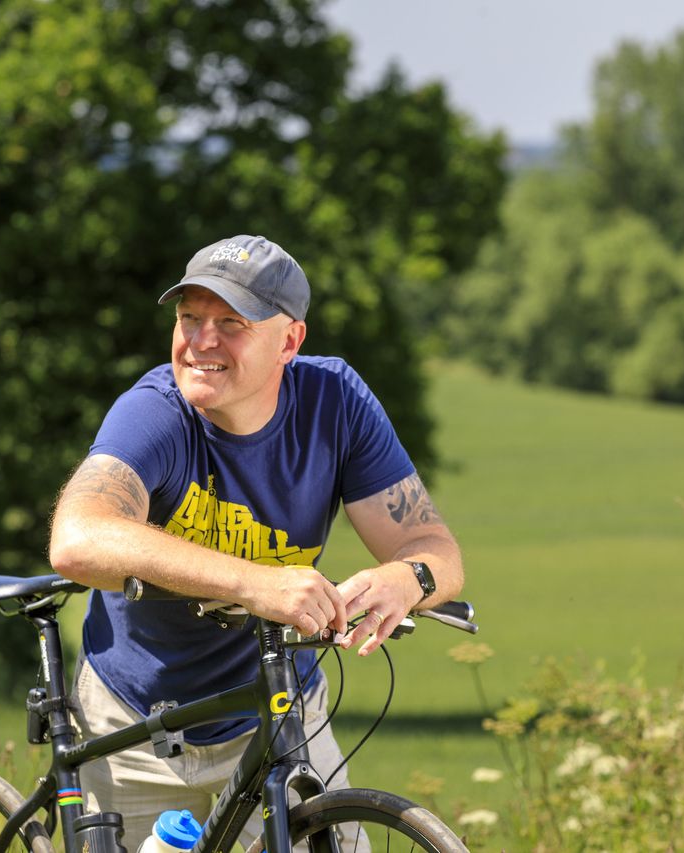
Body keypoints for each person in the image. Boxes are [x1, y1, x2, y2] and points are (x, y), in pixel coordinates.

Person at [48, 234, 463, 850]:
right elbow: (76, 540)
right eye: (190, 318)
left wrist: (408, 579)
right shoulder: (156, 413)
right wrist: (254, 581)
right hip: (137, 722)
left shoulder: (336, 404)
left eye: (231, 323)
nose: (201, 342)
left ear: (290, 341)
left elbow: (433, 546)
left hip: (278, 711)